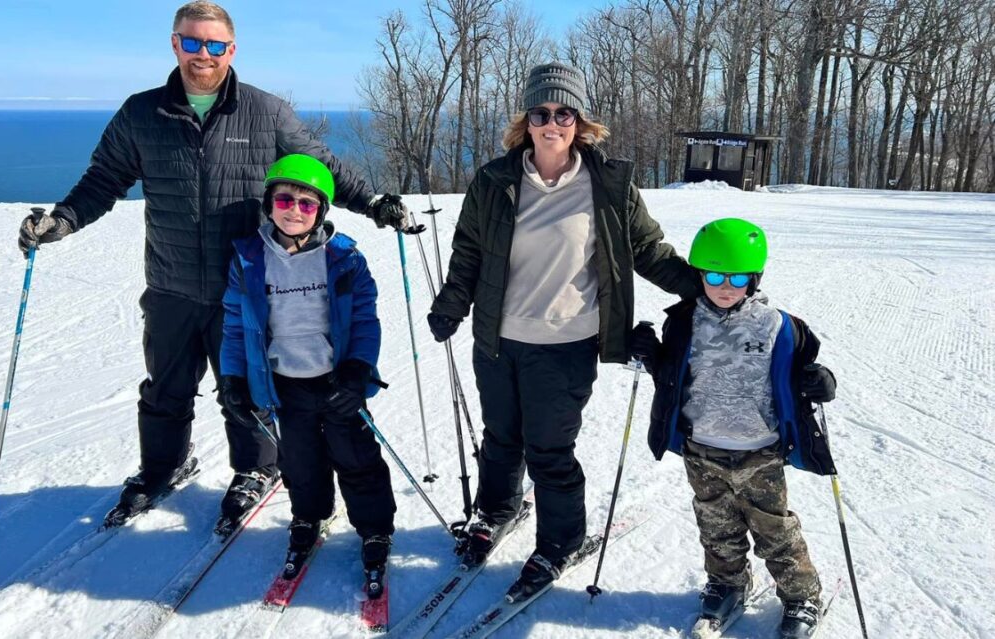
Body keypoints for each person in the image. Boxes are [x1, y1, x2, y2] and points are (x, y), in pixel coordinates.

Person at [16, 1, 408, 528]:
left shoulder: (265, 112)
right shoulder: (142, 113)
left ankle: (256, 469)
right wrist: (62, 220)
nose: (204, 54)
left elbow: (321, 165)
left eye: (215, 45)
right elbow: (104, 179)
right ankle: (161, 468)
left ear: (232, 49)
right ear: (175, 43)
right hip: (171, 281)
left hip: (243, 283)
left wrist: (377, 202)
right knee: (165, 388)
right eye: (193, 42)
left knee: (241, 389)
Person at [427, 61, 702, 599]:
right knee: (501, 438)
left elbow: (648, 251)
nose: (552, 122)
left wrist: (708, 288)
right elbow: (469, 254)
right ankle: (497, 509)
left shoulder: (608, 183)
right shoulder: (494, 180)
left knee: (548, 449)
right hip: (499, 340)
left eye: (564, 112)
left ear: (580, 121)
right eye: (541, 112)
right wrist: (451, 305)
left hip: (566, 342)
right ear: (525, 121)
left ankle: (561, 539)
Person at [633, 218, 838, 638]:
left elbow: (805, 372)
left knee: (774, 529)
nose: (725, 286)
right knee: (716, 525)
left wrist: (821, 382)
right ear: (699, 275)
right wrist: (651, 354)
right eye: (713, 275)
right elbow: (673, 376)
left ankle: (801, 595)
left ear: (755, 278)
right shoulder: (684, 322)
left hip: (759, 448)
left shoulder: (778, 325)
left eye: (738, 277)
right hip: (701, 447)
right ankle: (727, 583)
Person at [219, 154, 395, 595]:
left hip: (337, 382)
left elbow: (365, 319)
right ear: (268, 203)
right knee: (300, 460)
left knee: (355, 457)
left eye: (307, 203)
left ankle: (375, 527)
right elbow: (235, 324)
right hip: (285, 384)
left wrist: (357, 370)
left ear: (321, 211)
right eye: (284, 199)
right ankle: (308, 515)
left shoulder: (344, 258)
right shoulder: (249, 259)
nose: (294, 210)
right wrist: (234, 379)